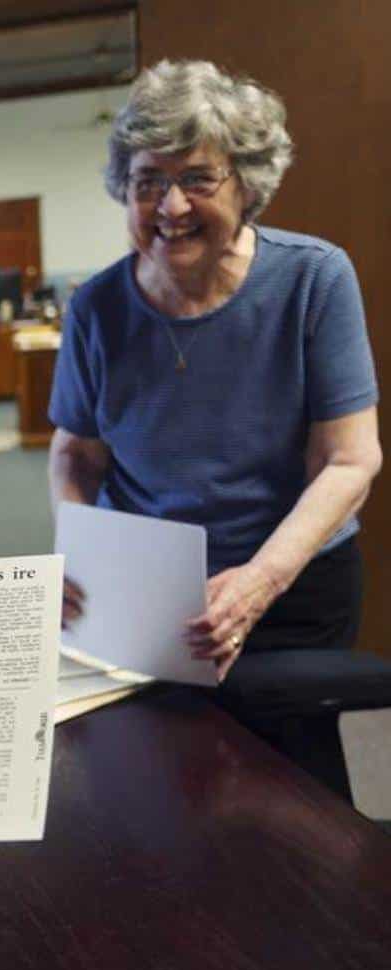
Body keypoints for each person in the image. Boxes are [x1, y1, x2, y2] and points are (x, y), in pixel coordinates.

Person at [49, 59, 381, 685]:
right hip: (146, 593)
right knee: (152, 768)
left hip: (290, 588)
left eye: (198, 178)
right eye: (147, 181)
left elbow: (349, 461)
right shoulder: (96, 308)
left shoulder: (314, 279)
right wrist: (71, 551)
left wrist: (258, 583)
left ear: (247, 185)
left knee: (291, 771)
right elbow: (76, 456)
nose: (171, 206)